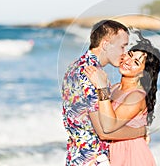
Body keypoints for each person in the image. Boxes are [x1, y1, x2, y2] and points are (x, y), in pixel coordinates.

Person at [61, 20, 147, 166]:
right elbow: (104, 131)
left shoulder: (75, 66)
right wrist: (141, 131)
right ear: (106, 44)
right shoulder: (93, 75)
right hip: (93, 160)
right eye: (122, 46)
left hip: (75, 156)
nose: (124, 53)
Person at [85, 31, 160, 166]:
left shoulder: (136, 96)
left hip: (133, 156)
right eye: (130, 55)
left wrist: (102, 87)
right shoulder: (115, 88)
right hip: (116, 154)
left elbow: (107, 129)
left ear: (142, 74)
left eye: (136, 62)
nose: (128, 61)